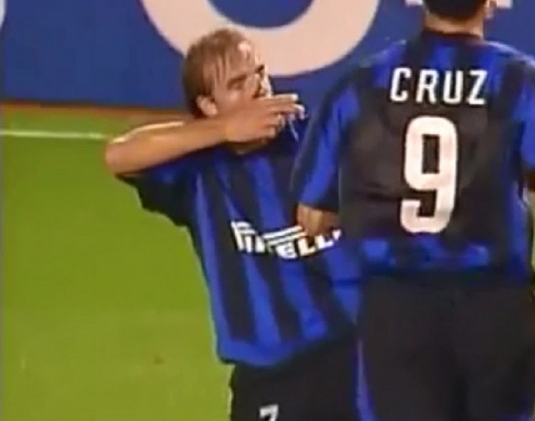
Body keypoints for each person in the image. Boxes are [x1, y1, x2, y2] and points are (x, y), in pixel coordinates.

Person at [292, 0, 535, 420]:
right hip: (496, 306)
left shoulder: (361, 84)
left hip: (399, 308)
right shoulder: (522, 81)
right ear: (490, 2)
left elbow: (312, 215)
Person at [104, 28, 361, 421]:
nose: (258, 88)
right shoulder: (197, 173)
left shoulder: (317, 143)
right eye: (238, 85)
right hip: (269, 374)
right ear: (208, 105)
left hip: (352, 354)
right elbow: (118, 155)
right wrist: (224, 130)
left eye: (260, 73)